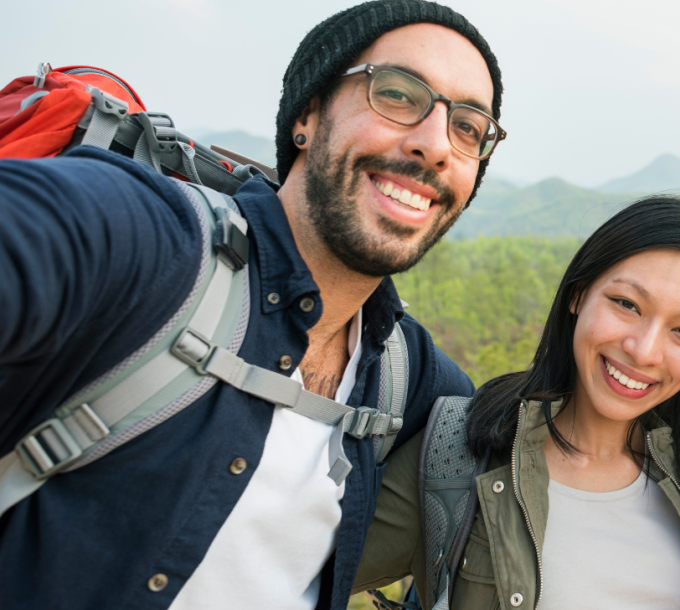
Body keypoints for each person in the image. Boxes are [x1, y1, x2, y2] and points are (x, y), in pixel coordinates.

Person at [0, 1, 504, 608]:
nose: (435, 145)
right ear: (309, 116)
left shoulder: (410, 380)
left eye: (469, 127)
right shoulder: (153, 245)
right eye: (397, 94)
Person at [352, 196, 680, 610]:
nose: (645, 351)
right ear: (578, 295)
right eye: (627, 304)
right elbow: (297, 574)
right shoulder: (457, 454)